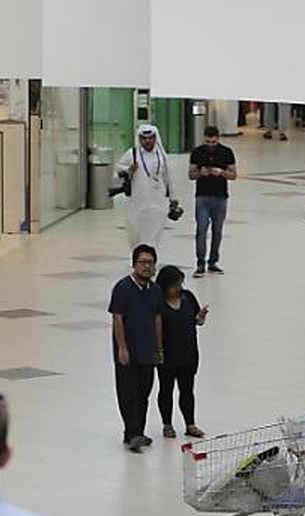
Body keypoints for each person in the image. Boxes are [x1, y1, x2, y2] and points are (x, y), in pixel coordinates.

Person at [109, 244, 164, 452]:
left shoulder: (155, 290)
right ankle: (132, 433)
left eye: (150, 263)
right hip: (127, 352)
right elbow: (117, 318)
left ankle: (136, 432)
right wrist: (122, 348)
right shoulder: (122, 288)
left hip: (146, 351)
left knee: (144, 392)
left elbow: (157, 319)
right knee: (128, 393)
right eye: (142, 262)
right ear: (134, 264)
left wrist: (159, 348)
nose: (146, 266)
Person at [154, 265, 208, 440]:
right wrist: (158, 350)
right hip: (167, 356)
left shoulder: (188, 297)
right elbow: (156, 328)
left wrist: (200, 317)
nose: (178, 288)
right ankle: (167, 424)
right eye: (173, 285)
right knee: (166, 389)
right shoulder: (158, 303)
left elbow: (197, 321)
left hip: (188, 353)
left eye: (179, 284)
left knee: (187, 390)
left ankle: (190, 424)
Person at [116, 124, 175, 252]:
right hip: (138, 202)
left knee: (154, 234)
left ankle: (150, 260)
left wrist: (173, 199)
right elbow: (118, 168)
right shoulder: (132, 154)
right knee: (136, 232)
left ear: (155, 138)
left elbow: (168, 178)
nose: (147, 141)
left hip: (158, 202)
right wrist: (129, 169)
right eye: (144, 138)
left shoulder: (161, 155)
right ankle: (138, 259)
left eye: (150, 138)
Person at [187, 124, 237, 277]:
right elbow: (191, 174)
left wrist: (221, 172)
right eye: (208, 142)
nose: (210, 145)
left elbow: (233, 174)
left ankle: (213, 261)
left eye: (213, 142)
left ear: (218, 139)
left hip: (220, 196)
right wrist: (200, 173)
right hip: (202, 196)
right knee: (201, 230)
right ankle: (200, 262)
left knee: (217, 231)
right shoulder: (197, 152)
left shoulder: (227, 152)